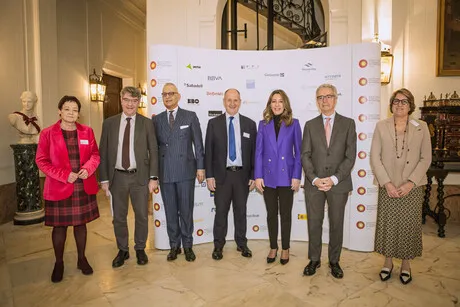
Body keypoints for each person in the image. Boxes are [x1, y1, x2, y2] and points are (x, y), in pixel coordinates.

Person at [370, 88, 431, 285]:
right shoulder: (381, 126)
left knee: (408, 226)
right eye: (396, 101)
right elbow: (375, 157)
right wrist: (386, 182)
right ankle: (387, 262)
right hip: (388, 185)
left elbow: (426, 158)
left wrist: (411, 183)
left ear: (410, 105)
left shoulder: (421, 127)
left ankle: (406, 264)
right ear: (391, 104)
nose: (400, 104)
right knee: (388, 225)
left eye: (404, 101)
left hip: (411, 188)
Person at [35, 95, 100, 283]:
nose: (71, 113)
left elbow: (95, 155)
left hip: (82, 185)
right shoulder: (47, 133)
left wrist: (88, 169)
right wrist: (64, 175)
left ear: (79, 114)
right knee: (59, 227)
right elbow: (41, 161)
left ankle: (81, 258)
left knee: (81, 224)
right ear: (60, 111)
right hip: (59, 186)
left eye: (75, 110)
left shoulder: (87, 132)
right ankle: (59, 262)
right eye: (67, 109)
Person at [99, 86, 159, 268]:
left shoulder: (147, 123)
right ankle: (123, 250)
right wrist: (104, 179)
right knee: (119, 216)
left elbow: (154, 151)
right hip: (117, 177)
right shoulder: (109, 123)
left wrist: (153, 177)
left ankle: (140, 248)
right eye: (127, 100)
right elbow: (103, 152)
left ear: (138, 102)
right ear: (121, 100)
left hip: (139, 177)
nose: (130, 104)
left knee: (141, 215)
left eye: (134, 101)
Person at [301, 83, 357, 279]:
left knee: (336, 223)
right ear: (317, 101)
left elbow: (350, 156)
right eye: (320, 97)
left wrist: (333, 179)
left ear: (335, 98)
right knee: (314, 223)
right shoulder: (309, 125)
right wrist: (315, 179)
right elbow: (305, 155)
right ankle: (314, 259)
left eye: (328, 96)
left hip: (339, 184)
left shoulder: (348, 123)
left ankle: (334, 261)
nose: (324, 100)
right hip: (314, 185)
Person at [152, 82, 205, 262]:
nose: (168, 97)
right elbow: (154, 148)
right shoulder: (157, 119)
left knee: (186, 210)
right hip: (165, 172)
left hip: (186, 172)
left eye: (171, 93)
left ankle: (188, 245)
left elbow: (198, 144)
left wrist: (201, 167)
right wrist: (154, 173)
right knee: (171, 211)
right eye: (165, 94)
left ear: (178, 96)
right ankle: (174, 245)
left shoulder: (189, 116)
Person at [205, 88, 257, 260]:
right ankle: (218, 246)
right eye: (229, 100)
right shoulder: (214, 124)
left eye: (236, 100)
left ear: (240, 102)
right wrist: (209, 176)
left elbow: (254, 153)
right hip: (221, 177)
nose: (232, 103)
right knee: (221, 212)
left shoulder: (250, 124)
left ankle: (242, 244)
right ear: (224, 101)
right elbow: (209, 152)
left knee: (241, 212)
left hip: (242, 176)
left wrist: (253, 176)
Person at [254, 89, 302, 265]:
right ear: (269, 104)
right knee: (271, 214)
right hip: (268, 177)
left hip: (287, 176)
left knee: (286, 215)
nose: (276, 104)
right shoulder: (263, 124)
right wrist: (258, 175)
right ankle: (273, 246)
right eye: (273, 101)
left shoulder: (294, 124)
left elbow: (299, 153)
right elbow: (258, 152)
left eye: (280, 101)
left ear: (285, 104)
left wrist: (296, 176)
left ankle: (286, 248)